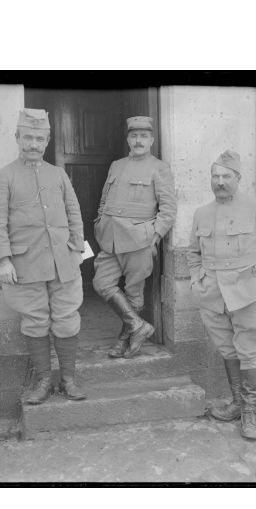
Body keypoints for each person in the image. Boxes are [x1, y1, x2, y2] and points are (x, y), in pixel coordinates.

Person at [0, 108, 86, 405]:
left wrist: (78, 249)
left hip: (62, 261)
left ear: (47, 141)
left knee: (67, 319)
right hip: (25, 264)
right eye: (28, 137)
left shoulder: (58, 174)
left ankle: (67, 378)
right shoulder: (4, 176)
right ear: (17, 137)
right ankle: (44, 379)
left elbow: (74, 213)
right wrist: (3, 260)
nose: (33, 144)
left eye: (39, 139)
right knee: (35, 321)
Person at [187, 150, 256, 440]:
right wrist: (197, 279)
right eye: (215, 176)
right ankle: (235, 403)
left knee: (249, 349)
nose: (220, 182)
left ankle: (250, 413)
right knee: (227, 349)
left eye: (226, 176)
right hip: (212, 294)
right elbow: (193, 252)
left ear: (238, 178)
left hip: (247, 293)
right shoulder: (201, 213)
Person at [92, 116, 176, 358]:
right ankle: (138, 326)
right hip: (110, 238)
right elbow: (104, 199)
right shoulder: (116, 165)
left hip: (140, 239)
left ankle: (124, 338)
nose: (138, 141)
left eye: (143, 136)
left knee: (133, 292)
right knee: (102, 283)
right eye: (133, 136)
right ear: (128, 138)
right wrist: (100, 223)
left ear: (151, 140)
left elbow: (168, 209)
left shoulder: (159, 167)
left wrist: (155, 237)